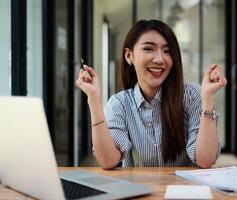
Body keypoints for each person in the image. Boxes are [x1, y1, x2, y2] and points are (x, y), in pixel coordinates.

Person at [76, 19, 227, 169]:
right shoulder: (119, 104)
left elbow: (205, 160)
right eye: (148, 49)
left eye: (167, 51)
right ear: (129, 56)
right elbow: (108, 160)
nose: (160, 59)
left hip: (184, 191)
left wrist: (207, 97)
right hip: (138, 190)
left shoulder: (193, 95)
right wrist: (94, 99)